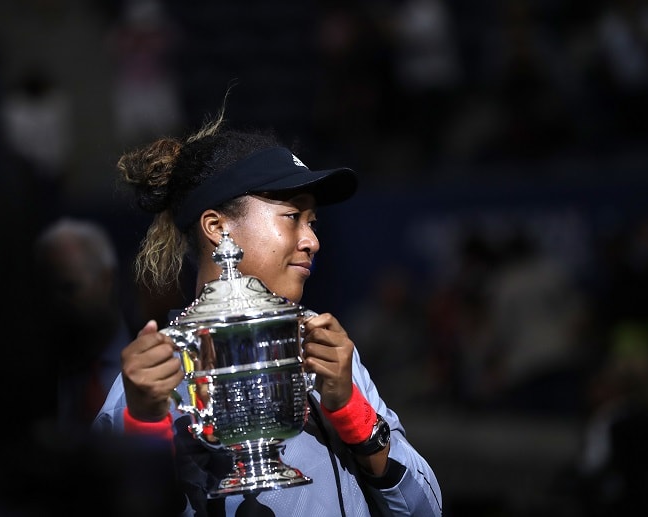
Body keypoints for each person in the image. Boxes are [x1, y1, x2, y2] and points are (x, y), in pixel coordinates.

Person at [92, 101, 443, 516]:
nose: (312, 241)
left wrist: (354, 415)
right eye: (292, 216)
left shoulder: (325, 349)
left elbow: (426, 510)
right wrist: (145, 425)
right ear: (218, 226)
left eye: (313, 222)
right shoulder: (152, 378)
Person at [34, 216, 131, 431]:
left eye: (69, 289)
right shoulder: (33, 370)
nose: (57, 303)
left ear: (107, 280)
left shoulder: (155, 345)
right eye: (46, 292)